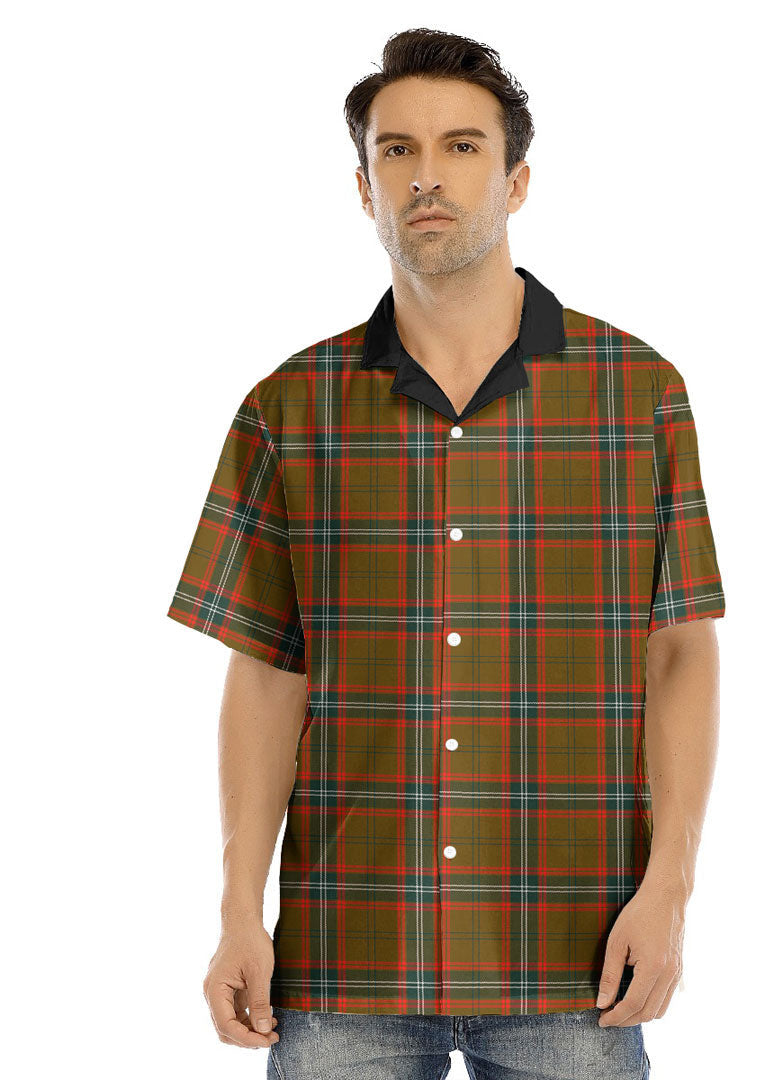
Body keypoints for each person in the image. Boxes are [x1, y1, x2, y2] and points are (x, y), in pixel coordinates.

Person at [167, 27, 725, 1080]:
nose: (427, 175)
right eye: (398, 150)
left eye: (462, 147)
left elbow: (679, 652)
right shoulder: (288, 409)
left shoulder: (637, 393)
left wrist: (672, 888)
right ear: (364, 188)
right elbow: (268, 673)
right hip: (346, 964)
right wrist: (239, 911)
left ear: (516, 182)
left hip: (576, 959)